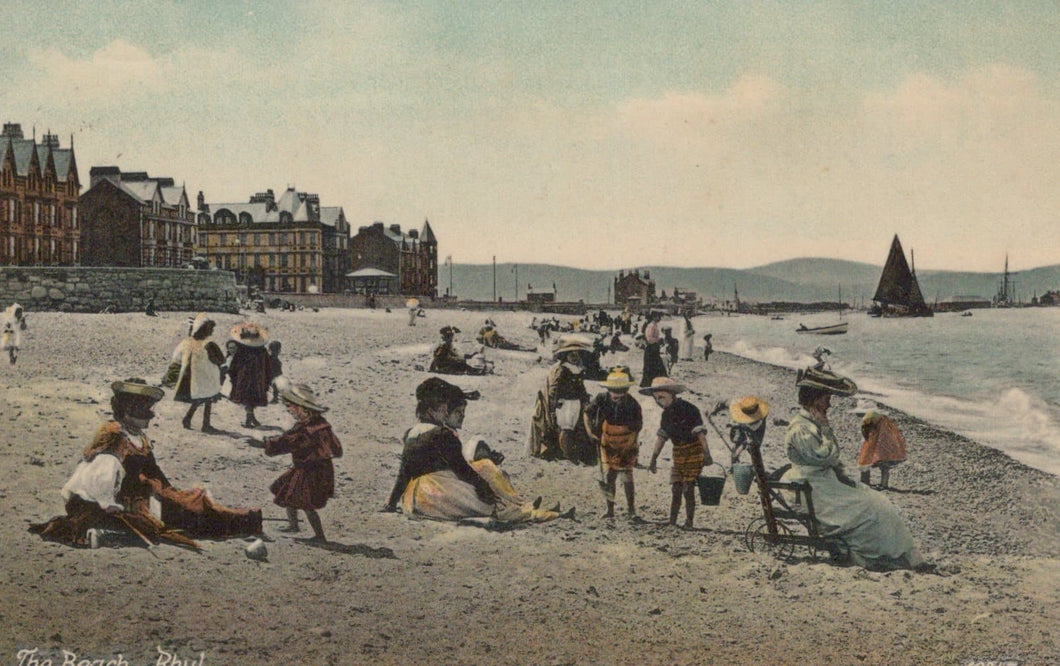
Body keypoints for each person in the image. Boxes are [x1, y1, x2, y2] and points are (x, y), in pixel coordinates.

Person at [30, 378, 261, 550]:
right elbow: (97, 471)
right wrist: (106, 501)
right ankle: (242, 522)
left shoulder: (138, 435)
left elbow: (153, 469)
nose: (149, 417)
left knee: (191, 505)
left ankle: (243, 520)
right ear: (128, 412)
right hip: (121, 501)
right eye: (143, 412)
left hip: (145, 493)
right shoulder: (114, 435)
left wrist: (169, 491)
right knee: (179, 520)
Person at [782, 367, 926, 570]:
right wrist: (826, 431)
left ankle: (890, 554)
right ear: (815, 399)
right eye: (826, 398)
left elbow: (828, 460)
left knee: (877, 501)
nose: (829, 403)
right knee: (869, 508)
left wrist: (839, 473)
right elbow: (825, 457)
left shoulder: (810, 423)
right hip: (811, 486)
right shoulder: (802, 428)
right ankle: (871, 556)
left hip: (820, 481)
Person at [385, 377, 564, 522]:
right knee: (488, 491)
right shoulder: (442, 434)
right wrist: (485, 490)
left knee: (483, 474)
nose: (446, 412)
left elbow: (404, 473)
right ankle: (523, 509)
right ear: (433, 410)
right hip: (436, 492)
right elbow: (462, 469)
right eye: (444, 408)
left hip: (413, 498)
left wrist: (392, 503)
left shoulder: (411, 433)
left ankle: (520, 505)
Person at [254, 384, 343, 542]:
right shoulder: (318, 424)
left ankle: (319, 536)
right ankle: (293, 526)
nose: (289, 410)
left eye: (290, 406)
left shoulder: (307, 429)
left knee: (307, 504)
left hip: (311, 471)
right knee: (290, 494)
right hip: (310, 468)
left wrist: (264, 443)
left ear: (302, 408)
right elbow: (335, 448)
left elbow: (287, 442)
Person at [643, 378, 711, 528]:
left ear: (672, 394)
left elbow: (700, 434)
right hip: (678, 452)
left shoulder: (690, 409)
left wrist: (707, 454)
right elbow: (662, 437)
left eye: (662, 397)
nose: (659, 401)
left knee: (688, 487)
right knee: (676, 487)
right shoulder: (666, 415)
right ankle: (672, 520)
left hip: (694, 450)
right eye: (656, 399)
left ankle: (689, 521)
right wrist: (653, 458)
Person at [585, 368, 643, 520]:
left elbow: (637, 429)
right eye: (614, 394)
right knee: (609, 474)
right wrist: (590, 432)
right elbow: (587, 413)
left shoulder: (633, 404)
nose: (618, 398)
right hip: (607, 439)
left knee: (626, 475)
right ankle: (609, 509)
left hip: (627, 439)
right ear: (608, 390)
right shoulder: (601, 398)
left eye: (621, 394)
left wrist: (628, 447)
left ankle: (631, 510)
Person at [528, 339, 593, 464]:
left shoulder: (577, 369)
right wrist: (553, 406)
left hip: (575, 402)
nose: (575, 357)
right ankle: (567, 454)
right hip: (565, 403)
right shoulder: (563, 369)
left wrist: (584, 398)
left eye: (577, 354)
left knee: (574, 427)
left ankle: (570, 451)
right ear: (566, 356)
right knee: (566, 428)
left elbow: (581, 387)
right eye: (571, 355)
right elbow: (554, 388)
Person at [171, 313, 225, 433]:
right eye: (211, 329)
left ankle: (188, 418)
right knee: (207, 399)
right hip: (207, 375)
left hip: (195, 376)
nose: (212, 331)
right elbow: (219, 359)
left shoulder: (189, 342)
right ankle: (205, 424)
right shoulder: (209, 344)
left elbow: (178, 357)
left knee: (200, 399)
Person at [228, 321, 273, 428]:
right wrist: (267, 379)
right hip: (258, 379)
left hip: (244, 379)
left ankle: (250, 418)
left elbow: (234, 366)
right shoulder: (262, 351)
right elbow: (268, 366)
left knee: (247, 398)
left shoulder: (241, 351)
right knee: (252, 398)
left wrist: (233, 377)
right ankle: (251, 418)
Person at [856, 406, 907, 489]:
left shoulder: (870, 420)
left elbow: (865, 431)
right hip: (885, 446)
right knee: (884, 466)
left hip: (879, 443)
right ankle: (883, 484)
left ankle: (865, 482)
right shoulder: (886, 424)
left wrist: (867, 439)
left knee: (866, 462)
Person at [640, 312, 668, 388]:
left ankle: (657, 382)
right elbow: (649, 338)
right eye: (658, 317)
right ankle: (649, 383)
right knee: (651, 366)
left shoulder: (654, 325)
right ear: (654, 317)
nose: (659, 319)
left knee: (656, 365)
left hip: (654, 348)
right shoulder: (651, 326)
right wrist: (658, 340)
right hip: (650, 348)